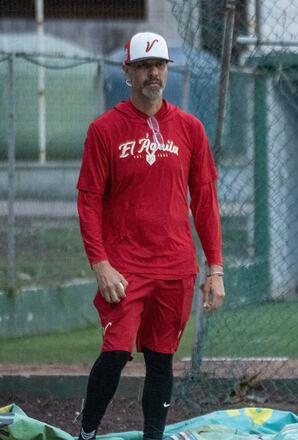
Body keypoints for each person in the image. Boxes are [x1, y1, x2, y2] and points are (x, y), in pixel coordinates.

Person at [75, 32, 225, 440]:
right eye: (143, 66)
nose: (152, 73)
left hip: (175, 266)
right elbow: (87, 201)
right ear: (127, 72)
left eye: (158, 65)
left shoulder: (191, 129)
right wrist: (100, 263)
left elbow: (206, 202)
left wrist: (215, 269)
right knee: (117, 352)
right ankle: (87, 432)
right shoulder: (104, 129)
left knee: (161, 359)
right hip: (124, 268)